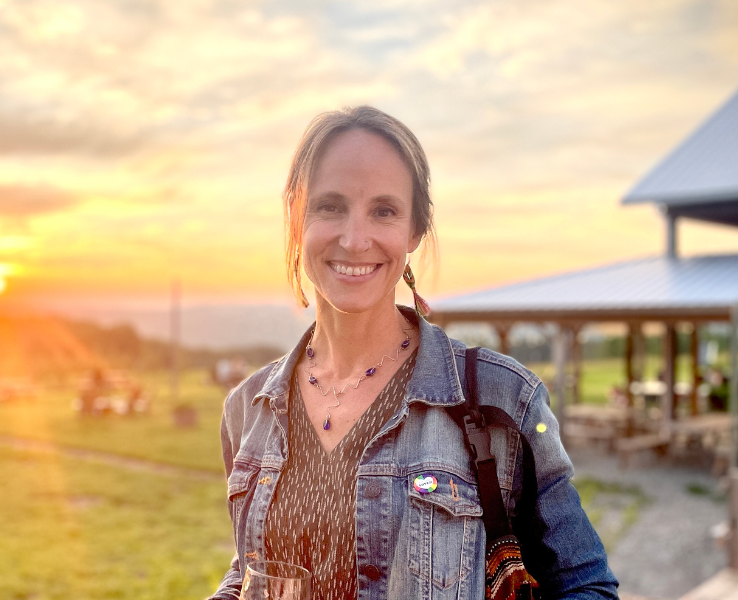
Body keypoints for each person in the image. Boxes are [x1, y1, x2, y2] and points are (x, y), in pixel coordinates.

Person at [209, 107, 617, 599]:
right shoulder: (246, 410)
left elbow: (585, 585)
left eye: (384, 210)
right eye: (329, 206)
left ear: (414, 231)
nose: (354, 239)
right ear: (297, 218)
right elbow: (248, 570)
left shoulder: (500, 400)